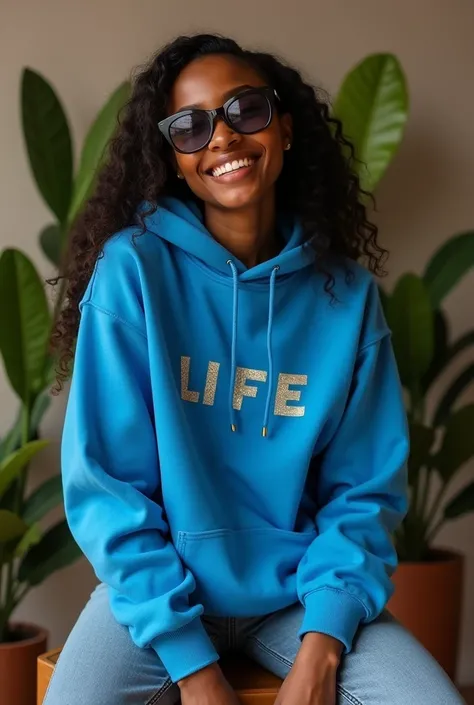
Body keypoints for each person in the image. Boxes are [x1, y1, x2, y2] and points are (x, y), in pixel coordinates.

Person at [44, 33, 465, 705]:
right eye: (191, 125)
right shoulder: (134, 273)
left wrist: (323, 647)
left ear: (285, 126)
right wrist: (195, 668)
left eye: (246, 110)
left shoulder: (346, 298)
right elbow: (108, 486)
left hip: (300, 591)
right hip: (158, 591)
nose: (223, 138)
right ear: (174, 159)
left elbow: (364, 492)